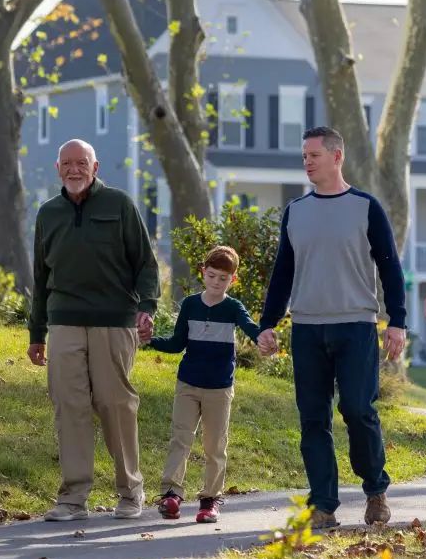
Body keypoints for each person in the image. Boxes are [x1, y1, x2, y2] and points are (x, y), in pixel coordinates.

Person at [257, 126, 407, 529]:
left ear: (337, 156)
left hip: (356, 325)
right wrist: (267, 323)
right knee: (313, 418)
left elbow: (390, 267)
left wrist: (398, 321)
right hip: (307, 328)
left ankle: (375, 489)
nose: (307, 162)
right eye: (304, 156)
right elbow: (282, 273)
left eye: (314, 155)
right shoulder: (296, 211)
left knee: (358, 410)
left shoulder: (365, 207)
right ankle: (323, 505)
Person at [27, 139, 158, 521]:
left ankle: (130, 492)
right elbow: (40, 278)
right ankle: (73, 498)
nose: (74, 169)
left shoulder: (119, 205)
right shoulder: (48, 213)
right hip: (63, 321)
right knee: (69, 407)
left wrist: (147, 308)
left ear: (95, 167)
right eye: (67, 163)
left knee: (115, 405)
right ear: (58, 169)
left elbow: (146, 264)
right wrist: (36, 333)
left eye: (81, 163)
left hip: (113, 321)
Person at [140, 245, 260, 524]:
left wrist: (263, 338)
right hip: (188, 384)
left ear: (233, 279)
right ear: (203, 272)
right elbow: (177, 343)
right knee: (180, 438)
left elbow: (250, 327)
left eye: (223, 278)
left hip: (219, 388)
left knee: (215, 444)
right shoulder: (190, 305)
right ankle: (171, 494)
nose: (216, 282)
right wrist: (150, 341)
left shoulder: (233, 308)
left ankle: (210, 499)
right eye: (212, 275)